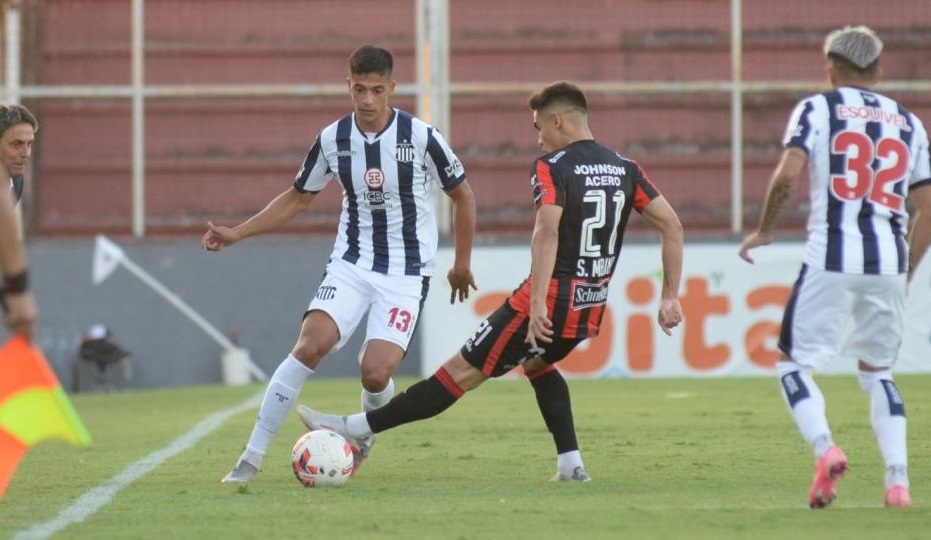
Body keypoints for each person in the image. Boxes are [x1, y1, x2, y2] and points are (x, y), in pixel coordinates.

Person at [298, 81, 684, 482]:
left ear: (557, 120)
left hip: (545, 303)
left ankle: (355, 428)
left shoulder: (552, 166)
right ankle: (571, 465)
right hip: (588, 306)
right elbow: (672, 226)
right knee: (537, 363)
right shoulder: (625, 167)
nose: (538, 139)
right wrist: (669, 296)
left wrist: (537, 305)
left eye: (539, 127)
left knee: (458, 373)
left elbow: (546, 232)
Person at [203, 45, 477, 483]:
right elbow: (298, 198)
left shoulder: (421, 136)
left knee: (376, 372)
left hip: (407, 272)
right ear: (347, 85)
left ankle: (363, 437)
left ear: (391, 88)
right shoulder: (333, 139)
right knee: (309, 345)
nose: (367, 100)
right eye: (359, 89)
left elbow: (463, 195)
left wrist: (461, 262)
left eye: (376, 90)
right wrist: (238, 232)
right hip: (352, 263)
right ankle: (250, 458)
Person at [738, 26, 931, 509]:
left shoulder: (818, 109)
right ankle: (898, 482)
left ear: (829, 71)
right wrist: (906, 268)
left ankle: (826, 449)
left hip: (831, 258)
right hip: (888, 264)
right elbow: (928, 208)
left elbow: (788, 174)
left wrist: (764, 230)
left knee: (792, 364)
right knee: (879, 372)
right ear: (879, 71)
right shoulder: (910, 122)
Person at [0, 104, 39, 343]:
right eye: (16, 144)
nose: (25, 153)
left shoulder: (16, 183)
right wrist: (18, 291)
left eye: (29, 144)